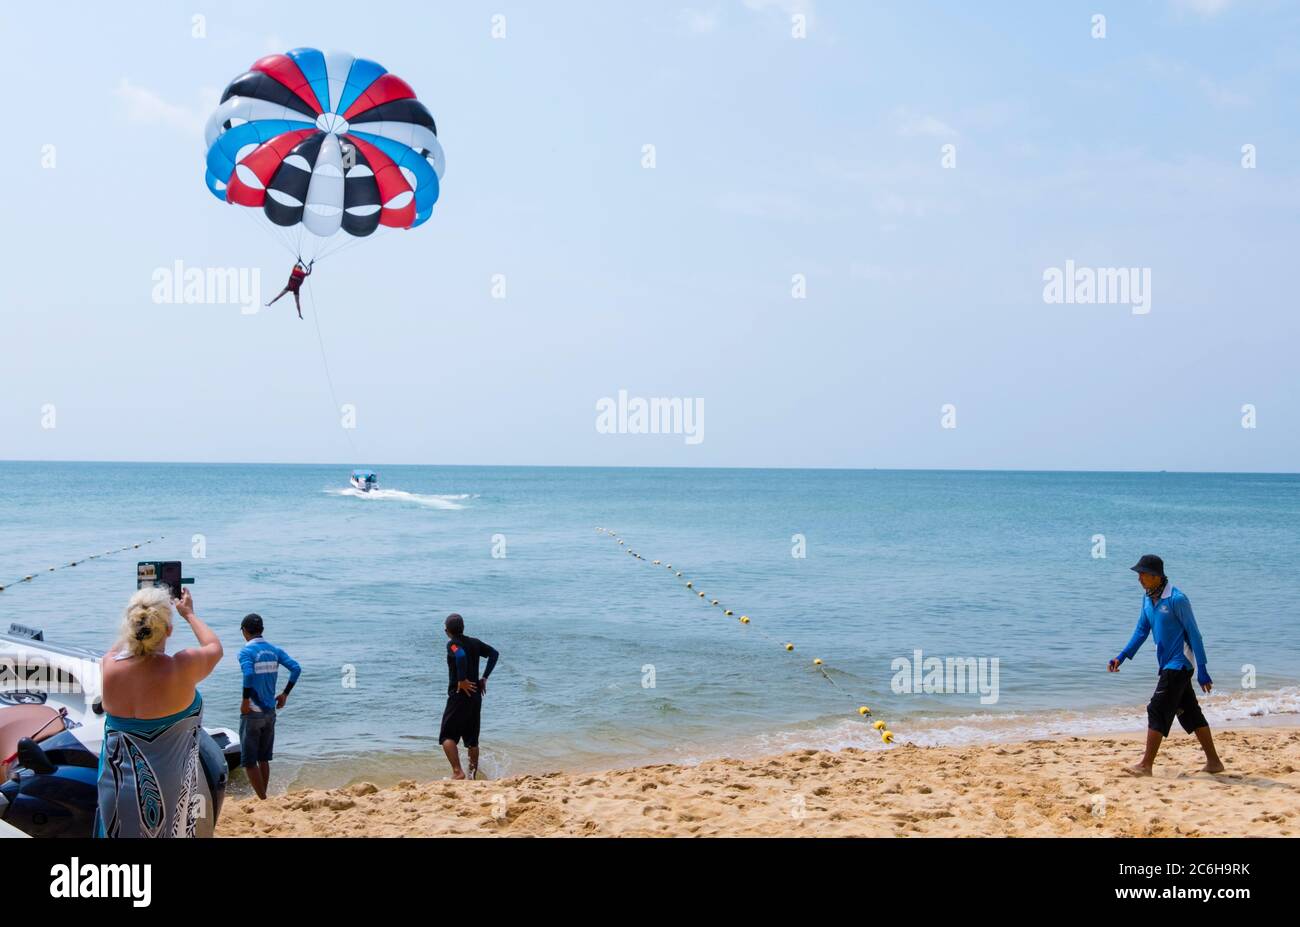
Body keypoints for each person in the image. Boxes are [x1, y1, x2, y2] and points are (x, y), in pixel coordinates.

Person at [96, 587, 223, 837]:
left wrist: (138, 615)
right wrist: (188, 613)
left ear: (129, 627)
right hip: (171, 789)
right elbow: (214, 647)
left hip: (116, 785)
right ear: (168, 630)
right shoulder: (181, 667)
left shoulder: (108, 666)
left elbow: (115, 650)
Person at [1108, 554, 1224, 777]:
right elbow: (1142, 630)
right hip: (1167, 663)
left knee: (1157, 708)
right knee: (1190, 712)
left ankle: (1145, 765)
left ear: (1156, 576)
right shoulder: (1147, 599)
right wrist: (1121, 656)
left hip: (1179, 664)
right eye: (1139, 574)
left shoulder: (1177, 599)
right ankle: (1214, 762)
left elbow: (1195, 635)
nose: (1139, 578)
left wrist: (1203, 669)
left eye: (1142, 574)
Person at [237, 613, 301, 799]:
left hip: (253, 712)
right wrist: (285, 694)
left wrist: (245, 701)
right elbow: (296, 668)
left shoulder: (246, 652)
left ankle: (262, 798)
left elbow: (248, 675)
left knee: (249, 762)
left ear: (245, 631)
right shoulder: (274, 650)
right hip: (269, 711)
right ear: (262, 630)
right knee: (263, 758)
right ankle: (263, 797)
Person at [438, 613, 499, 780]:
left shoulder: (452, 645)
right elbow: (494, 654)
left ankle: (458, 772)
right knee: (472, 740)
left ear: (446, 631)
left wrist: (462, 679)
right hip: (475, 696)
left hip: (459, 696)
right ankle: (472, 776)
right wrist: (484, 678)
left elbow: (460, 655)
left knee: (446, 736)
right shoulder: (475, 643)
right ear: (463, 628)